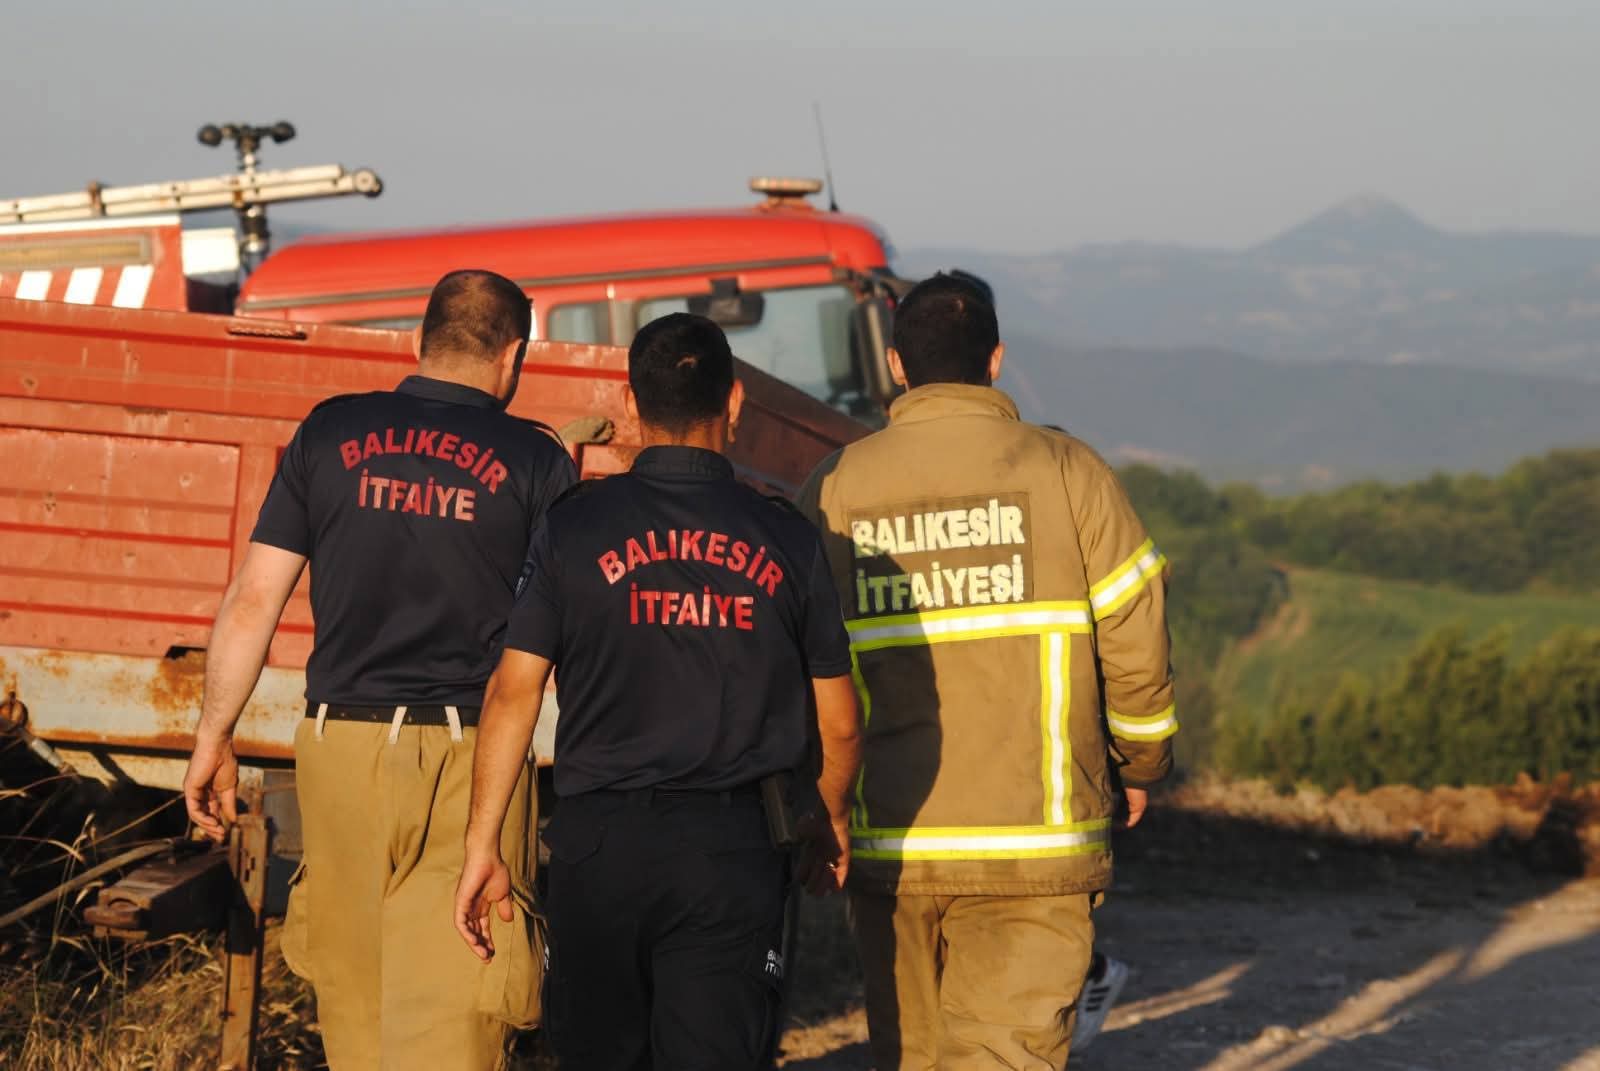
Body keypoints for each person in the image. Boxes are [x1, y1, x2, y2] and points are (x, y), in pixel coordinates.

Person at [182, 270, 576, 1071]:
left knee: (358, 1017)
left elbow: (254, 596)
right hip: (473, 758)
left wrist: (212, 735)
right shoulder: (536, 462)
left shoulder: (329, 433)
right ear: (513, 355)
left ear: (418, 342)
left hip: (337, 755)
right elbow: (561, 648)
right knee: (465, 1007)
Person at [453, 312, 863, 1070]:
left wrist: (483, 842)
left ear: (630, 405)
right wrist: (827, 819)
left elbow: (513, 692)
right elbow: (839, 722)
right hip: (734, 854)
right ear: (734, 403)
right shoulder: (787, 537)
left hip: (599, 850)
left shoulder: (575, 527)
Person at [796, 274, 1177, 1069]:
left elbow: (784, 660)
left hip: (890, 843)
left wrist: (812, 805)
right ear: (996, 360)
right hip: (1034, 850)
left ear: (897, 366)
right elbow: (1135, 635)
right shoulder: (1071, 472)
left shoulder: (832, 489)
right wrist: (1140, 763)